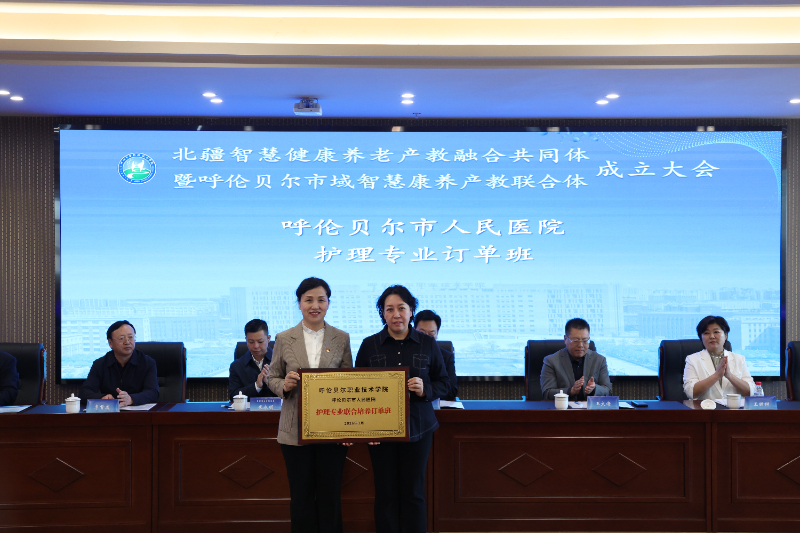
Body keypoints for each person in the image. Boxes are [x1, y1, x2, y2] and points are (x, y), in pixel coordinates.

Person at [355, 285, 450, 533]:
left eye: (401, 308)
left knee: (413, 492)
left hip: (418, 427)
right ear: (383, 314)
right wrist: (366, 429)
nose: (396, 314)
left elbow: (444, 382)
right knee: (385, 492)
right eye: (389, 309)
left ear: (411, 311)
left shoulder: (427, 344)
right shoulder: (369, 345)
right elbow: (357, 389)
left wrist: (425, 389)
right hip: (380, 430)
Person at [267, 277, 352, 533]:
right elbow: (272, 377)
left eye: (321, 300)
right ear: (299, 304)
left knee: (330, 495)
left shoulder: (341, 338)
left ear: (328, 303)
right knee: (301, 496)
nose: (315, 306)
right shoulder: (284, 338)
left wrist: (349, 427)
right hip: (294, 430)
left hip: (332, 429)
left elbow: (350, 382)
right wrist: (284, 385)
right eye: (308, 300)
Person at [79, 320, 159, 406]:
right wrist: (102, 398)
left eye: (131, 337)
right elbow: (84, 393)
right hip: (110, 411)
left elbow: (153, 392)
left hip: (139, 411)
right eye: (121, 338)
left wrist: (131, 399)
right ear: (110, 343)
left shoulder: (147, 362)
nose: (127, 342)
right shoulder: (100, 364)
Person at [683, 315, 755, 401]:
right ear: (701, 337)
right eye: (706, 333)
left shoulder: (739, 359)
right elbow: (691, 393)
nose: (712, 336)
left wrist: (730, 376)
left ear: (725, 335)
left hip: (733, 408)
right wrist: (716, 376)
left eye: (716, 332)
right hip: (704, 408)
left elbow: (750, 392)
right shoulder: (692, 360)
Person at [540, 318, 612, 401]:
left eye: (585, 340)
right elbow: (547, 393)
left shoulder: (599, 360)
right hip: (563, 408)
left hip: (590, 408)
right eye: (575, 340)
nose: (580, 345)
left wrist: (594, 389)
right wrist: (570, 391)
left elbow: (608, 391)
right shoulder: (551, 361)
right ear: (565, 339)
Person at [228, 319, 277, 401]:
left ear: (268, 338)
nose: (256, 346)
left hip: (277, 409)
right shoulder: (236, 366)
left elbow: (290, 395)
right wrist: (256, 386)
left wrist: (272, 384)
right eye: (251, 342)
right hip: (247, 409)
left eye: (260, 342)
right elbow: (233, 396)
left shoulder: (281, 362)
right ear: (246, 340)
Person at [414, 309, 458, 401]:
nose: (426, 338)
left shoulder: (446, 356)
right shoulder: (406, 352)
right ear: (413, 331)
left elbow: (451, 391)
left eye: (431, 334)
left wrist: (426, 392)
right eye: (421, 333)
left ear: (437, 334)